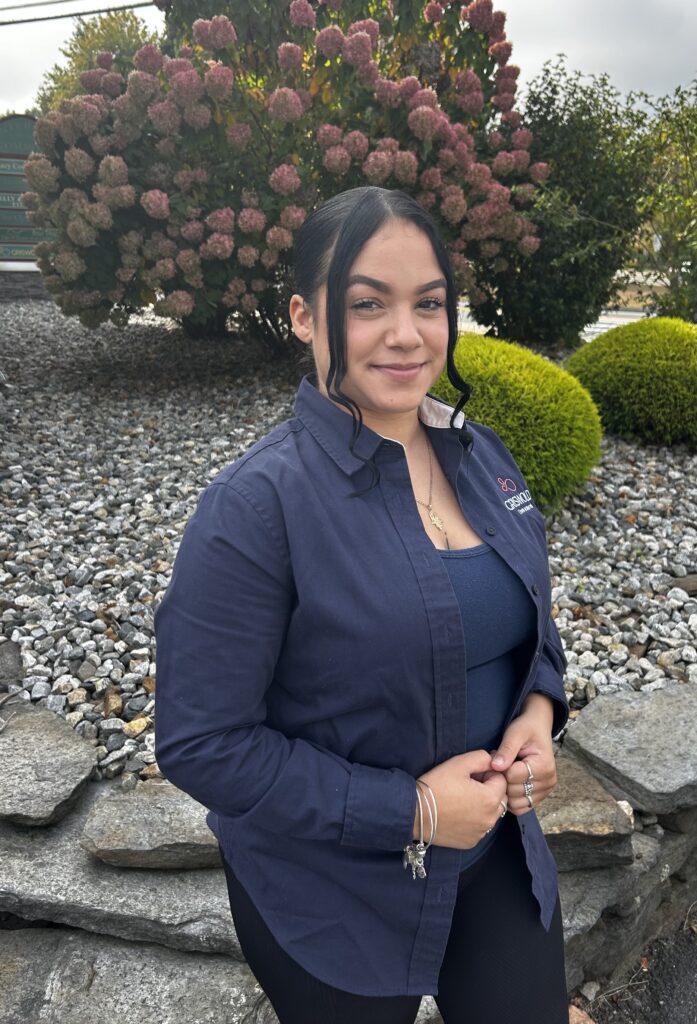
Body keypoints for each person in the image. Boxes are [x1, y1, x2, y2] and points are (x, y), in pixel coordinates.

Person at [153, 186, 570, 1024]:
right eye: (367, 304)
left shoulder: (482, 455)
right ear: (304, 317)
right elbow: (201, 744)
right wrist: (413, 810)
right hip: (327, 896)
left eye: (428, 303)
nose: (406, 334)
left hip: (492, 855)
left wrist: (538, 709)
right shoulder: (255, 507)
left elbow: (527, 624)